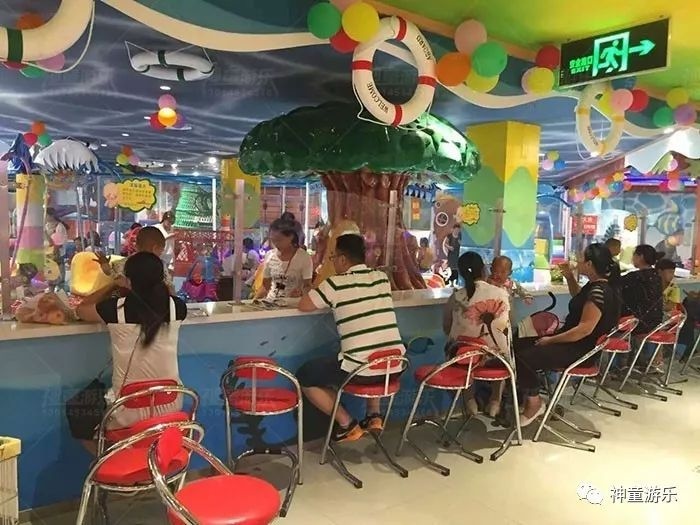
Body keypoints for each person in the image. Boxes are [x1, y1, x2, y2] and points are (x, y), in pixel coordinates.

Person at [297, 234, 405, 441]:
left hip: (361, 372)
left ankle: (347, 424)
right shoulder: (382, 278)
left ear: (343, 259)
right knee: (375, 351)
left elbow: (304, 305)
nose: (333, 262)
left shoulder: (335, 284)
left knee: (305, 375)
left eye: (333, 258)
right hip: (394, 367)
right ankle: (374, 416)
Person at [76, 252, 187, 451]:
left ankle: (113, 463)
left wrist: (112, 284)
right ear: (162, 277)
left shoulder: (115, 310)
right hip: (171, 406)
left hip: (127, 412)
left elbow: (81, 309)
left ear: (128, 281)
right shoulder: (177, 308)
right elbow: (162, 299)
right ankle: (149, 463)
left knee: (77, 411)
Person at [517, 243, 620, 426]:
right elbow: (579, 299)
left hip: (579, 350)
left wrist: (550, 340)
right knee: (517, 345)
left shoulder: (598, 292)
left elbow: (583, 330)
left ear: (589, 264)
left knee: (523, 356)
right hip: (573, 343)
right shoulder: (596, 287)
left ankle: (534, 402)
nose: (577, 262)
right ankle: (526, 396)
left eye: (580, 259)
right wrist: (569, 276)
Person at [443, 252, 511, 417]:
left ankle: (469, 400)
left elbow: (447, 328)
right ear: (484, 269)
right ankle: (495, 400)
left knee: (457, 350)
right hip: (497, 361)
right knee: (500, 346)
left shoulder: (457, 297)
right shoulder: (501, 294)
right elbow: (507, 327)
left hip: (463, 360)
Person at [95, 226, 175, 295]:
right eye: (161, 251)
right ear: (154, 248)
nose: (160, 255)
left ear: (137, 245)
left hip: (124, 306)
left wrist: (106, 267)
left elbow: (112, 278)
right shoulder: (160, 267)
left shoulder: (119, 264)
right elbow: (170, 289)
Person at [254, 219, 313, 301]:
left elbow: (307, 285)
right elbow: (265, 286)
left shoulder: (304, 257)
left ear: (291, 237)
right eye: (273, 240)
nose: (276, 244)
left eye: (279, 240)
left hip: (293, 304)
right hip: (271, 303)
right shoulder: (270, 255)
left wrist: (301, 292)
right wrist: (254, 301)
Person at [619, 245, 663, 335]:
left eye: (634, 255)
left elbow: (615, 285)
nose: (632, 258)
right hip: (655, 322)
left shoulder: (635, 277)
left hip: (638, 323)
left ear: (641, 256)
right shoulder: (657, 276)